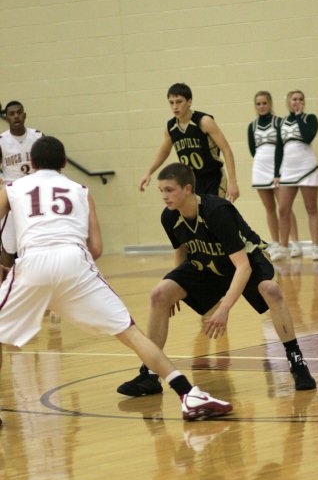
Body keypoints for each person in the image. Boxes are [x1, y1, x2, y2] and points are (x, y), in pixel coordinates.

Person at [0, 135, 232, 422]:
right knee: (131, 333)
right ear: (63, 163)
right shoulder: (82, 190)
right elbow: (96, 248)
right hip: (74, 261)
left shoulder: (11, 187)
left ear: (31, 163)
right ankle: (188, 395)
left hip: (33, 262)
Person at [117, 162, 316, 397]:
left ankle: (297, 361)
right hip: (209, 262)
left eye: (169, 190)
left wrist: (224, 308)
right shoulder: (169, 217)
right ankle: (150, 374)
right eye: (161, 190)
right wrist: (176, 283)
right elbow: (181, 249)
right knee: (159, 294)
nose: (164, 196)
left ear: (188, 189)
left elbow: (242, 267)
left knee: (271, 290)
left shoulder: (216, 211)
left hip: (246, 258)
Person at [138, 83, 239, 202]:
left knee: (214, 216)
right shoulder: (170, 127)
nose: (175, 106)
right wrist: (149, 172)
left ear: (189, 102)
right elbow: (164, 152)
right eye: (171, 102)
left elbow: (226, 150)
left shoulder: (204, 121)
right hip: (190, 180)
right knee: (197, 218)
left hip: (213, 177)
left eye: (179, 101)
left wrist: (233, 182)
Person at [247, 90, 301, 261]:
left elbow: (284, 145)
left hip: (278, 168)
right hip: (260, 168)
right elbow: (252, 150)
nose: (261, 106)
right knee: (269, 208)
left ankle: (295, 243)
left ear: (270, 104)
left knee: (284, 208)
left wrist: (279, 168)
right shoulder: (252, 126)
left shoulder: (279, 122)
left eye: (264, 103)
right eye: (258, 104)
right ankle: (276, 243)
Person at [276, 90, 318, 261]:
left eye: (300, 99)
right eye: (294, 99)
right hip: (288, 169)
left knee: (311, 208)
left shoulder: (310, 119)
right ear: (288, 101)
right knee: (282, 209)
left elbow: (307, 137)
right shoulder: (281, 122)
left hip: (307, 167)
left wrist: (298, 115)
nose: (297, 101)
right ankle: (283, 247)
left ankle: (315, 246)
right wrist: (276, 173)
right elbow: (279, 149)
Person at [0, 100, 43, 276]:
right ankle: (3, 291)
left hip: (34, 197)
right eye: (12, 113)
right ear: (7, 117)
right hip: (12, 198)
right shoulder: (1, 141)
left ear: (24, 115)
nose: (16, 116)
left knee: (37, 245)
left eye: (19, 112)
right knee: (9, 249)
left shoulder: (38, 137)